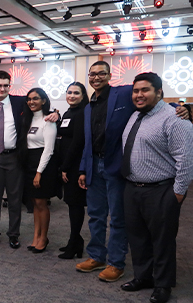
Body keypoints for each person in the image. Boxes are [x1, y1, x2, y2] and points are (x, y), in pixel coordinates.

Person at [76, 61, 188, 282]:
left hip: (115, 167)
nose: (96, 77)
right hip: (93, 167)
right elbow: (87, 142)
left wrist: (183, 108)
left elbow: (152, 99)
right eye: (93, 74)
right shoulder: (89, 106)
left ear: (109, 76)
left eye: (101, 74)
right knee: (96, 216)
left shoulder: (124, 92)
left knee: (118, 218)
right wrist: (82, 168)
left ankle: (116, 263)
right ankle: (96, 255)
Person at [120, 72, 193, 303]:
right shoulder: (134, 116)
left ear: (159, 92)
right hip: (132, 187)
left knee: (162, 240)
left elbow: (186, 159)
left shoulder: (175, 118)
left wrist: (178, 193)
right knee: (137, 238)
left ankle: (163, 285)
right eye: (136, 91)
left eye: (145, 90)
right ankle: (143, 277)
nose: (139, 95)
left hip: (161, 190)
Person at [0, 71, 58, 249]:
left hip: (15, 156)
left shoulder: (19, 102)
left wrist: (56, 113)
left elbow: (39, 104)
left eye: (5, 85)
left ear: (10, 86)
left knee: (15, 198)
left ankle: (13, 235)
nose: (2, 88)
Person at [20, 88, 57, 254]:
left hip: (43, 165)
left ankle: (44, 238)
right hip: (29, 163)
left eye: (35, 98)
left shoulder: (48, 120)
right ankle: (36, 236)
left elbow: (49, 149)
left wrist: (39, 172)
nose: (31, 102)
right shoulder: (27, 119)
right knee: (34, 203)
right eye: (29, 99)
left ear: (43, 100)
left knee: (42, 203)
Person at [57, 82, 89, 259]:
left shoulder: (83, 112)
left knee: (76, 205)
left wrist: (65, 167)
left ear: (83, 95)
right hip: (67, 164)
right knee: (71, 205)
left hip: (75, 166)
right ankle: (75, 241)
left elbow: (77, 142)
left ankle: (75, 243)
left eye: (76, 93)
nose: (72, 95)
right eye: (69, 92)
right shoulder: (68, 112)